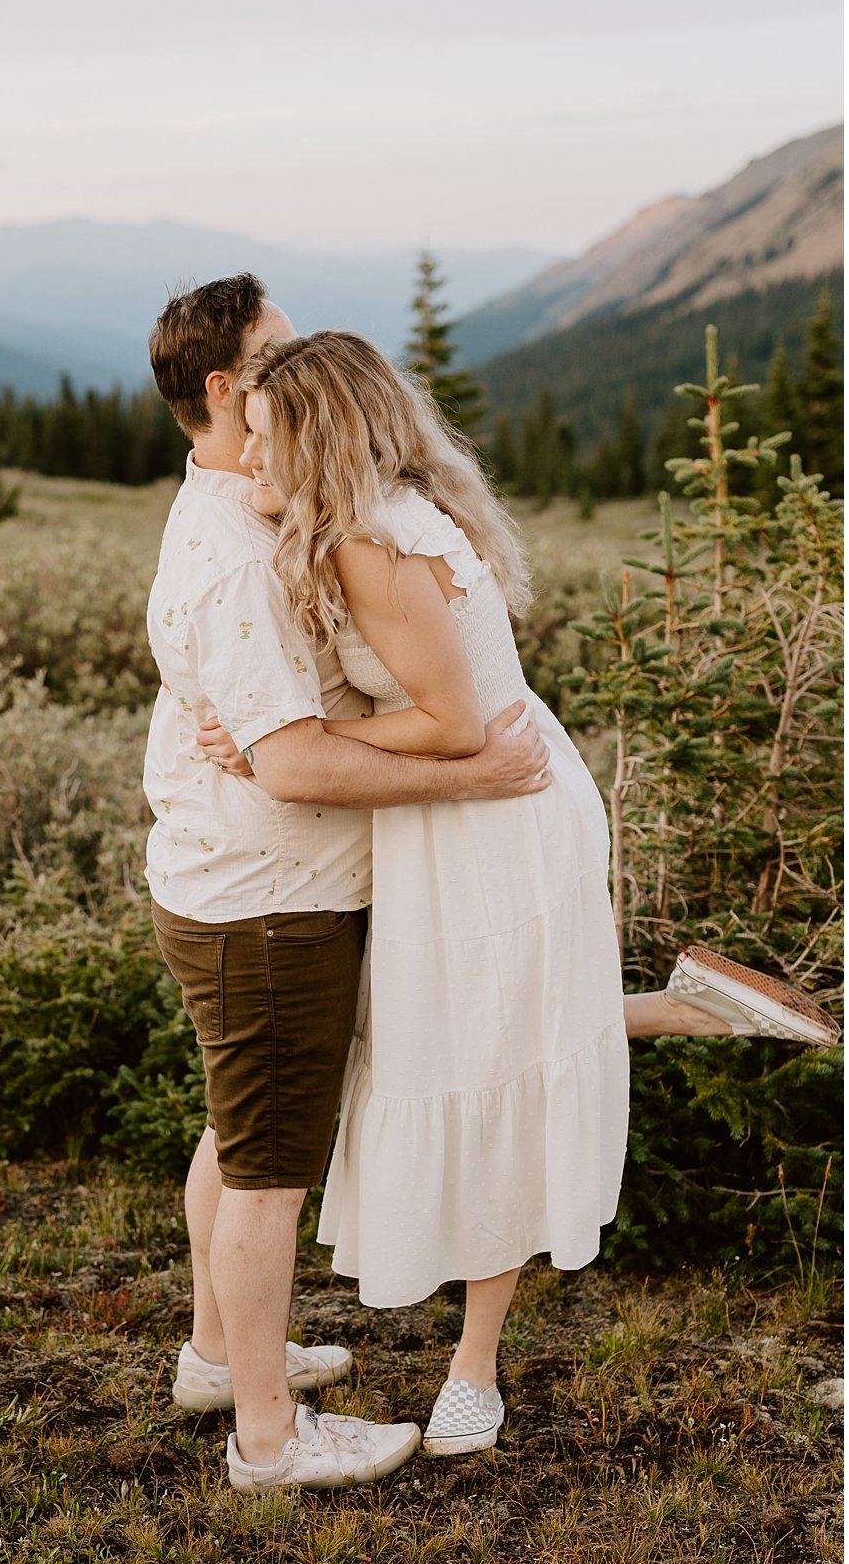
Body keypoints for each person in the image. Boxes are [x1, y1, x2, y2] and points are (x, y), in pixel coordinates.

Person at [220, 328, 837, 1459]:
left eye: (261, 437)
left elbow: (453, 721)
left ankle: (474, 1367)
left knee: (493, 1067)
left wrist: (299, 738)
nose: (243, 456)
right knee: (472, 1045)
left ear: (316, 437)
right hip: (460, 812)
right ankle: (685, 1006)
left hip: (491, 812)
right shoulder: (368, 514)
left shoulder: (371, 539)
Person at [140, 275, 554, 1493]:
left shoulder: (266, 508)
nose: (300, 360)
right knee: (271, 1160)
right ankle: (268, 1435)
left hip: (239, 876)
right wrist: (475, 774)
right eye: (276, 352)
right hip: (267, 891)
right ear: (227, 390)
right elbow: (291, 762)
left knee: (237, 1124)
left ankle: (221, 1355)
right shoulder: (230, 557)